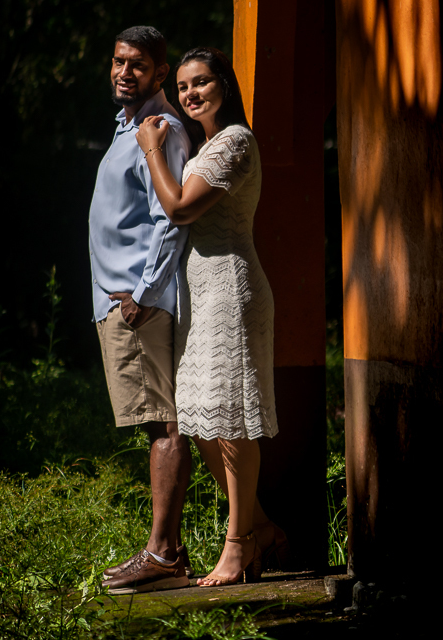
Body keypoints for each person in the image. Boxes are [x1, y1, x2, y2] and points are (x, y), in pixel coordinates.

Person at [135, 46, 285, 586]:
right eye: (182, 87)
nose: (190, 93)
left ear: (224, 83)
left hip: (232, 291)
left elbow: (179, 207)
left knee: (231, 421)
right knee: (201, 419)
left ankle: (238, 543)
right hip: (199, 298)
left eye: (201, 82)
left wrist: (152, 148)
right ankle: (263, 525)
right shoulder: (206, 144)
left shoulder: (236, 142)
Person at [90, 26, 194, 594]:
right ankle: (165, 550)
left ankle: (163, 553)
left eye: (138, 65)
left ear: (159, 72)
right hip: (125, 303)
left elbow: (168, 218)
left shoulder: (161, 128)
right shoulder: (128, 128)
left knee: (163, 421)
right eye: (118, 61)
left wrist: (145, 294)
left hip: (140, 305)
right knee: (156, 420)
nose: (124, 72)